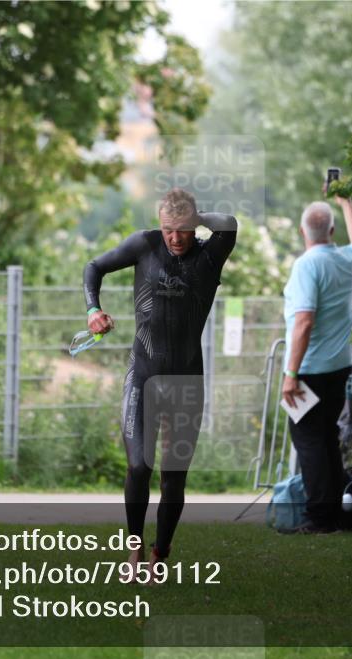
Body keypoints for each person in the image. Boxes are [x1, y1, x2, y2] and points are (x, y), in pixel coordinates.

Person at [83, 188, 237, 581]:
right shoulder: (145, 244)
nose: (174, 238)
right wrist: (93, 310)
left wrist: (197, 218)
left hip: (187, 379)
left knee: (173, 477)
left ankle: (160, 553)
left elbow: (230, 224)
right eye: (168, 228)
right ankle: (134, 550)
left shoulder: (210, 252)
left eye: (183, 229)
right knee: (138, 466)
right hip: (144, 373)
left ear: (194, 226)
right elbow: (94, 267)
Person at [280, 194, 352, 533]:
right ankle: (334, 512)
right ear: (332, 230)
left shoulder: (306, 266)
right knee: (327, 435)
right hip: (339, 364)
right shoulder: (345, 259)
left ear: (304, 233)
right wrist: (347, 203)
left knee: (308, 438)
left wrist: (290, 374)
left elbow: (303, 322)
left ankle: (318, 517)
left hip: (310, 369)